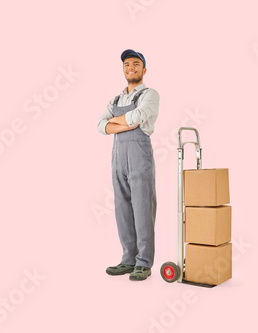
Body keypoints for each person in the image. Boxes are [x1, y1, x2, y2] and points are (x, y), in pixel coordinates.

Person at [97, 49, 159, 281]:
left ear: (144, 70)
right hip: (117, 158)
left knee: (142, 208)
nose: (130, 67)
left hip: (139, 156)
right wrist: (124, 122)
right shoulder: (115, 99)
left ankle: (144, 262)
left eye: (135, 63)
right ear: (123, 70)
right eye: (126, 64)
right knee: (122, 208)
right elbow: (100, 126)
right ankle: (128, 259)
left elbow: (139, 116)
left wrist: (115, 120)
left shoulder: (150, 94)